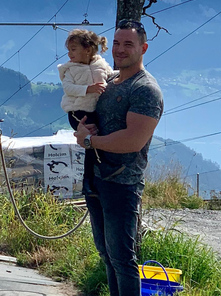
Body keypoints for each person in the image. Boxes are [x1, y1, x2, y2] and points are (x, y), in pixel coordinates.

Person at [74, 19, 164, 296]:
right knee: (107, 255)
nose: (120, 49)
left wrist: (89, 141)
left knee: (123, 260)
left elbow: (132, 141)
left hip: (122, 184)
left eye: (128, 44)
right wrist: (81, 127)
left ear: (143, 48)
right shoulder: (110, 80)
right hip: (96, 177)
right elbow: (86, 113)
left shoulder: (145, 89)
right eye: (116, 43)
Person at [57, 29, 115, 192]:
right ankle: (91, 181)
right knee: (92, 140)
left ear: (88, 49)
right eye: (68, 50)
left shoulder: (101, 65)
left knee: (99, 137)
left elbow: (111, 76)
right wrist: (88, 89)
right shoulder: (70, 69)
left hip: (95, 111)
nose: (69, 54)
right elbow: (68, 88)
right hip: (77, 112)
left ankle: (97, 177)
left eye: (73, 50)